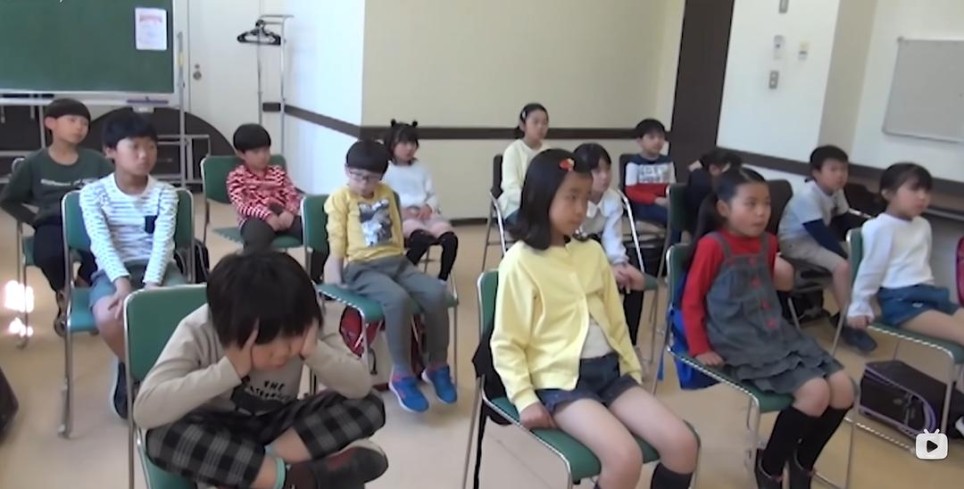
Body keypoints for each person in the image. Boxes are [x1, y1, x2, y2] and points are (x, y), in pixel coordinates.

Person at [491, 149, 698, 489]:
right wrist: (525, 398)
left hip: (610, 373)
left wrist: (630, 369)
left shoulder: (592, 252)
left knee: (683, 444)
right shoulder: (520, 262)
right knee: (625, 458)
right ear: (541, 198)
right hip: (560, 381)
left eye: (585, 198)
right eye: (571, 197)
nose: (580, 209)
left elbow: (616, 322)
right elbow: (506, 342)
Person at [135, 251, 388, 489]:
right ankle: (285, 480)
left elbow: (359, 385)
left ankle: (260, 473)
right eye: (267, 345)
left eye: (291, 340)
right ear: (230, 330)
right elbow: (145, 410)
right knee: (160, 435)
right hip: (215, 429)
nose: (282, 353)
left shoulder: (303, 318)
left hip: (278, 425)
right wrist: (229, 370)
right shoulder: (200, 329)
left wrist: (314, 351)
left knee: (369, 403)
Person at [681, 168, 855, 489]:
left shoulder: (769, 242)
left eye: (766, 204)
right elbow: (691, 300)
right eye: (751, 204)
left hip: (772, 330)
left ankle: (802, 461)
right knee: (815, 393)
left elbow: (768, 288)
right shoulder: (712, 245)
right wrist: (699, 347)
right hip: (735, 337)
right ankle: (770, 466)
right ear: (724, 208)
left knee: (844, 389)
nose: (761, 212)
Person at [324, 139, 456, 413]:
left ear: (382, 176)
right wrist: (335, 272)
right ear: (346, 171)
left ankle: (437, 365)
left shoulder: (388, 194)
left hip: (396, 262)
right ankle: (402, 373)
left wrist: (405, 256)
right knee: (397, 299)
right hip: (360, 267)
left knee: (436, 293)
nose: (364, 183)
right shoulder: (341, 198)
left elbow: (396, 231)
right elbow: (336, 236)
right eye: (357, 176)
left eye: (371, 178)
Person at [80, 110, 187, 419]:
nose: (144, 155)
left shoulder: (165, 193)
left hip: (159, 268)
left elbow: (163, 242)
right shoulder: (93, 194)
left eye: (151, 147)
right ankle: (135, 368)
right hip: (113, 272)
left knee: (183, 314)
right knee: (108, 316)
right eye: (135, 146)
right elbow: (101, 243)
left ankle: (160, 370)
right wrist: (122, 283)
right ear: (110, 151)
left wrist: (152, 285)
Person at [0, 98, 113, 334]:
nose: (79, 127)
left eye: (84, 123)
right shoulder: (34, 163)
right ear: (50, 123)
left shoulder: (96, 161)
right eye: (72, 120)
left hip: (91, 221)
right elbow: (8, 199)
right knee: (47, 254)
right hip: (53, 221)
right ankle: (64, 292)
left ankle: (83, 287)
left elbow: (116, 189)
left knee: (104, 253)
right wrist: (34, 220)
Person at [848, 163, 964, 346]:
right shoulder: (880, 227)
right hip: (900, 300)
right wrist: (859, 307)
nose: (922, 196)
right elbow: (871, 270)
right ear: (888, 193)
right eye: (914, 189)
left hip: (930, 294)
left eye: (926, 191)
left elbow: (922, 264)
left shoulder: (923, 225)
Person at [779, 145, 877, 353]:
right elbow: (820, 233)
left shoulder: (836, 191)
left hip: (814, 239)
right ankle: (849, 323)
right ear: (816, 172)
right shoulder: (808, 196)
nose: (840, 175)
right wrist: (844, 255)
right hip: (796, 243)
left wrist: (860, 243)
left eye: (844, 169)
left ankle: (847, 312)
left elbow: (843, 221)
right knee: (842, 266)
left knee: (861, 257)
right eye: (833, 169)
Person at [226, 123, 324, 281]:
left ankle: (314, 278)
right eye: (256, 152)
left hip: (283, 215)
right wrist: (266, 215)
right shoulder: (236, 176)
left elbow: (292, 195)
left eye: (266, 150)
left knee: (320, 232)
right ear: (241, 154)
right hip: (255, 219)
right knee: (257, 243)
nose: (263, 156)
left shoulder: (278, 172)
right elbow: (241, 205)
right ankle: (257, 281)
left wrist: (289, 212)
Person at [573, 143, 647, 345]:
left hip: (598, 248)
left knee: (634, 279)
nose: (605, 176)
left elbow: (612, 237)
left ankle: (628, 341)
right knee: (602, 283)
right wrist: (605, 270)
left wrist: (618, 263)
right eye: (597, 171)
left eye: (607, 169)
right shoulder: (572, 199)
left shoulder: (613, 199)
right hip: (573, 252)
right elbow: (574, 242)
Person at [381, 120, 458, 282]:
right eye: (404, 143)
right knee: (421, 240)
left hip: (425, 214)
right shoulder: (385, 169)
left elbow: (432, 195)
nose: (409, 148)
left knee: (450, 240)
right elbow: (383, 197)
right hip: (399, 215)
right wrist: (399, 210)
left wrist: (429, 206)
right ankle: (401, 276)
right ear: (391, 144)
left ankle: (442, 279)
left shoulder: (421, 168)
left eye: (413, 143)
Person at [497, 103, 549, 225]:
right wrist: (533, 202)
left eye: (544, 123)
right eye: (535, 122)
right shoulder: (513, 151)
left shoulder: (549, 151)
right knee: (537, 226)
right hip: (516, 206)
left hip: (544, 206)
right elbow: (510, 188)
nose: (540, 127)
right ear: (522, 125)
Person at [624, 118, 674, 228]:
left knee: (682, 214)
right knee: (672, 217)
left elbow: (672, 186)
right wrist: (655, 200)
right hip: (643, 204)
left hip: (665, 201)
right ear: (639, 141)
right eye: (651, 137)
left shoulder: (668, 161)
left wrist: (670, 200)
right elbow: (631, 192)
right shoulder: (634, 164)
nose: (657, 141)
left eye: (661, 137)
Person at [683, 148, 742, 234]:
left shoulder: (706, 177)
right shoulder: (701, 180)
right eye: (731, 172)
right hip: (704, 227)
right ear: (713, 169)